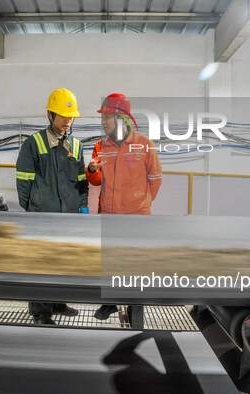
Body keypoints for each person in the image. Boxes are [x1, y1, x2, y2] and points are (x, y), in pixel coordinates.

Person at [16, 87, 89, 325]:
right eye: (63, 116)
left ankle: (58, 303)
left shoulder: (76, 146)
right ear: (50, 114)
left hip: (68, 215)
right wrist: (33, 210)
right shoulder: (34, 144)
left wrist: (82, 207)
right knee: (41, 264)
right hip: (42, 216)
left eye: (71, 117)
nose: (68, 121)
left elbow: (81, 180)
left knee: (64, 262)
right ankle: (40, 312)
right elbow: (24, 181)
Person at [86, 93, 162, 319]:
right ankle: (110, 304)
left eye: (107, 116)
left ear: (121, 118)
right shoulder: (101, 146)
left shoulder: (144, 145)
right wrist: (91, 170)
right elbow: (96, 182)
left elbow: (155, 179)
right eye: (102, 117)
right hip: (109, 216)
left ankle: (134, 307)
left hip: (136, 218)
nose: (103, 121)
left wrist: (140, 203)